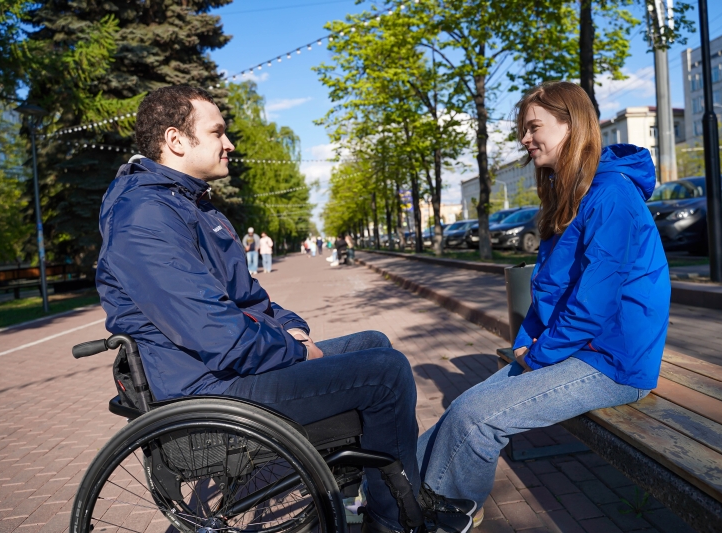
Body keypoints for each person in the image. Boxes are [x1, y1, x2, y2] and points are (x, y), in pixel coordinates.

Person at [95, 85, 474, 533]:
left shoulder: (190, 207)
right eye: (217, 132)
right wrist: (294, 352)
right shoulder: (145, 217)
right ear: (176, 140)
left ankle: (383, 493)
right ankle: (399, 519)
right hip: (205, 394)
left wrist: (294, 330)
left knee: (373, 343)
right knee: (384, 372)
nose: (229, 143)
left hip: (227, 373)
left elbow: (253, 299)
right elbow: (215, 334)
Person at [416, 81, 671, 527]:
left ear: (572, 125)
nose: (524, 139)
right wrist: (527, 341)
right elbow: (549, 290)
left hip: (614, 363)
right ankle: (382, 495)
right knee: (458, 412)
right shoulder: (571, 194)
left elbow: (594, 304)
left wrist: (537, 355)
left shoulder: (612, 196)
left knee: (476, 419)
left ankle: (448, 516)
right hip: (573, 350)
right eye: (522, 130)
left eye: (534, 127)